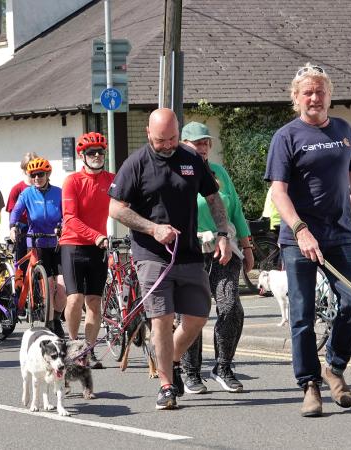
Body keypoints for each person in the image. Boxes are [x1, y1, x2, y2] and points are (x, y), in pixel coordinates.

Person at [265, 63, 351, 417]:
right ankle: (310, 385)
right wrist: (300, 229)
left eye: (320, 91)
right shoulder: (287, 136)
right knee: (301, 315)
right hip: (298, 239)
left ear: (329, 95)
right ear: (296, 98)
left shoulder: (343, 130)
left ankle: (335, 367)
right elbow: (278, 191)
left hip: (341, 234)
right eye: (307, 92)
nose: (314, 98)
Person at [108, 108, 232, 411]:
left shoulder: (192, 160)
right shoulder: (135, 164)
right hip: (151, 255)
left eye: (173, 138)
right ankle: (166, 385)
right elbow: (116, 208)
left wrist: (223, 234)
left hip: (188, 253)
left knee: (197, 317)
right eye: (161, 139)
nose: (168, 144)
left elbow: (214, 199)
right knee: (162, 319)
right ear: (149, 134)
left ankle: (171, 360)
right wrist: (153, 228)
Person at [177, 122, 253, 394]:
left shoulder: (219, 172)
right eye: (197, 142)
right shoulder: (178, 172)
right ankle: (190, 371)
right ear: (183, 144)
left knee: (231, 306)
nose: (203, 147)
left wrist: (246, 246)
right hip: (191, 251)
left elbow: (236, 210)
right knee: (192, 312)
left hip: (224, 248)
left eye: (206, 142)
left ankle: (223, 366)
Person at [60, 132, 113, 368]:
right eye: (91, 152)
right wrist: (96, 235)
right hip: (73, 246)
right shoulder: (72, 181)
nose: (96, 156)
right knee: (75, 298)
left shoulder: (112, 180)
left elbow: (129, 203)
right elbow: (70, 218)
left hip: (97, 247)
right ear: (82, 155)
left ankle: (88, 351)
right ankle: (72, 346)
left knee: (94, 301)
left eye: (100, 152)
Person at [9, 157, 67, 337]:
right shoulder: (27, 194)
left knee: (62, 287)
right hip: (37, 243)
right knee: (48, 285)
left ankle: (56, 317)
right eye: (33, 175)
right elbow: (16, 213)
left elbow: (67, 213)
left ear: (47, 174)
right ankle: (50, 325)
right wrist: (13, 227)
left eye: (40, 174)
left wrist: (63, 225)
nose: (36, 178)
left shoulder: (59, 192)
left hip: (57, 242)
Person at [5, 152, 39, 271]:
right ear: (24, 170)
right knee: (22, 264)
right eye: (29, 168)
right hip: (23, 229)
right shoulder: (17, 189)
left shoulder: (41, 186)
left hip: (39, 228)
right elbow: (12, 212)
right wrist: (12, 229)